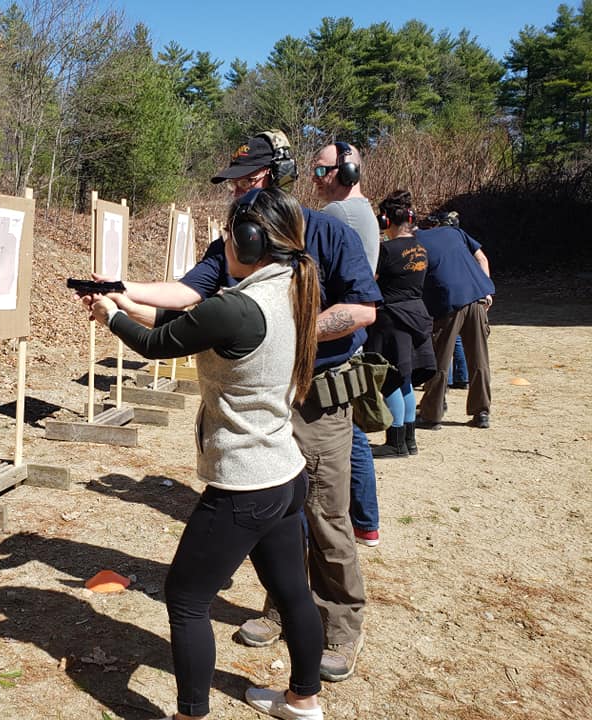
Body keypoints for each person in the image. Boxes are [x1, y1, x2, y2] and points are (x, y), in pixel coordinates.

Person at [103, 131, 381, 683]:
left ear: (268, 180)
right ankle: (280, 610)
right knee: (280, 521)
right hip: (258, 399)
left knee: (324, 516)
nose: (234, 188)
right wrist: (123, 287)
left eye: (244, 180)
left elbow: (364, 310)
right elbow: (190, 295)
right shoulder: (233, 243)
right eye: (234, 181)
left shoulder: (328, 231)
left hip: (316, 394)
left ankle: (342, 628)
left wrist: (295, 338)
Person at [86, 187, 324, 720]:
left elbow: (157, 344)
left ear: (248, 239)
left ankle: (190, 715)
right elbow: (184, 329)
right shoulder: (292, 285)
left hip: (245, 483)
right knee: (292, 593)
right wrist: (123, 302)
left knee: (186, 600)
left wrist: (108, 317)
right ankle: (304, 700)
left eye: (228, 233)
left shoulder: (237, 306)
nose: (222, 243)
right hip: (284, 471)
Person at [311, 141, 382, 546]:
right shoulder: (365, 211)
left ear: (347, 172)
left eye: (322, 171)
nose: (315, 179)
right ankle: (366, 521)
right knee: (352, 432)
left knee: (344, 433)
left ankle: (360, 519)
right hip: (349, 335)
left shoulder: (337, 213)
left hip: (335, 334)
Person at [365, 191, 436, 457]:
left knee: (391, 379)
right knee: (405, 377)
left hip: (392, 319)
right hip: (416, 314)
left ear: (385, 220)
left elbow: (370, 278)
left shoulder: (386, 249)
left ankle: (395, 442)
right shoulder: (420, 248)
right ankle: (408, 440)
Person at [415, 214, 495, 429]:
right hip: (477, 298)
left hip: (448, 303)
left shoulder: (414, 243)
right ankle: (482, 413)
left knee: (439, 360)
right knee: (479, 359)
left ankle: (432, 414)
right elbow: (482, 259)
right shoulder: (455, 232)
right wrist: (486, 288)